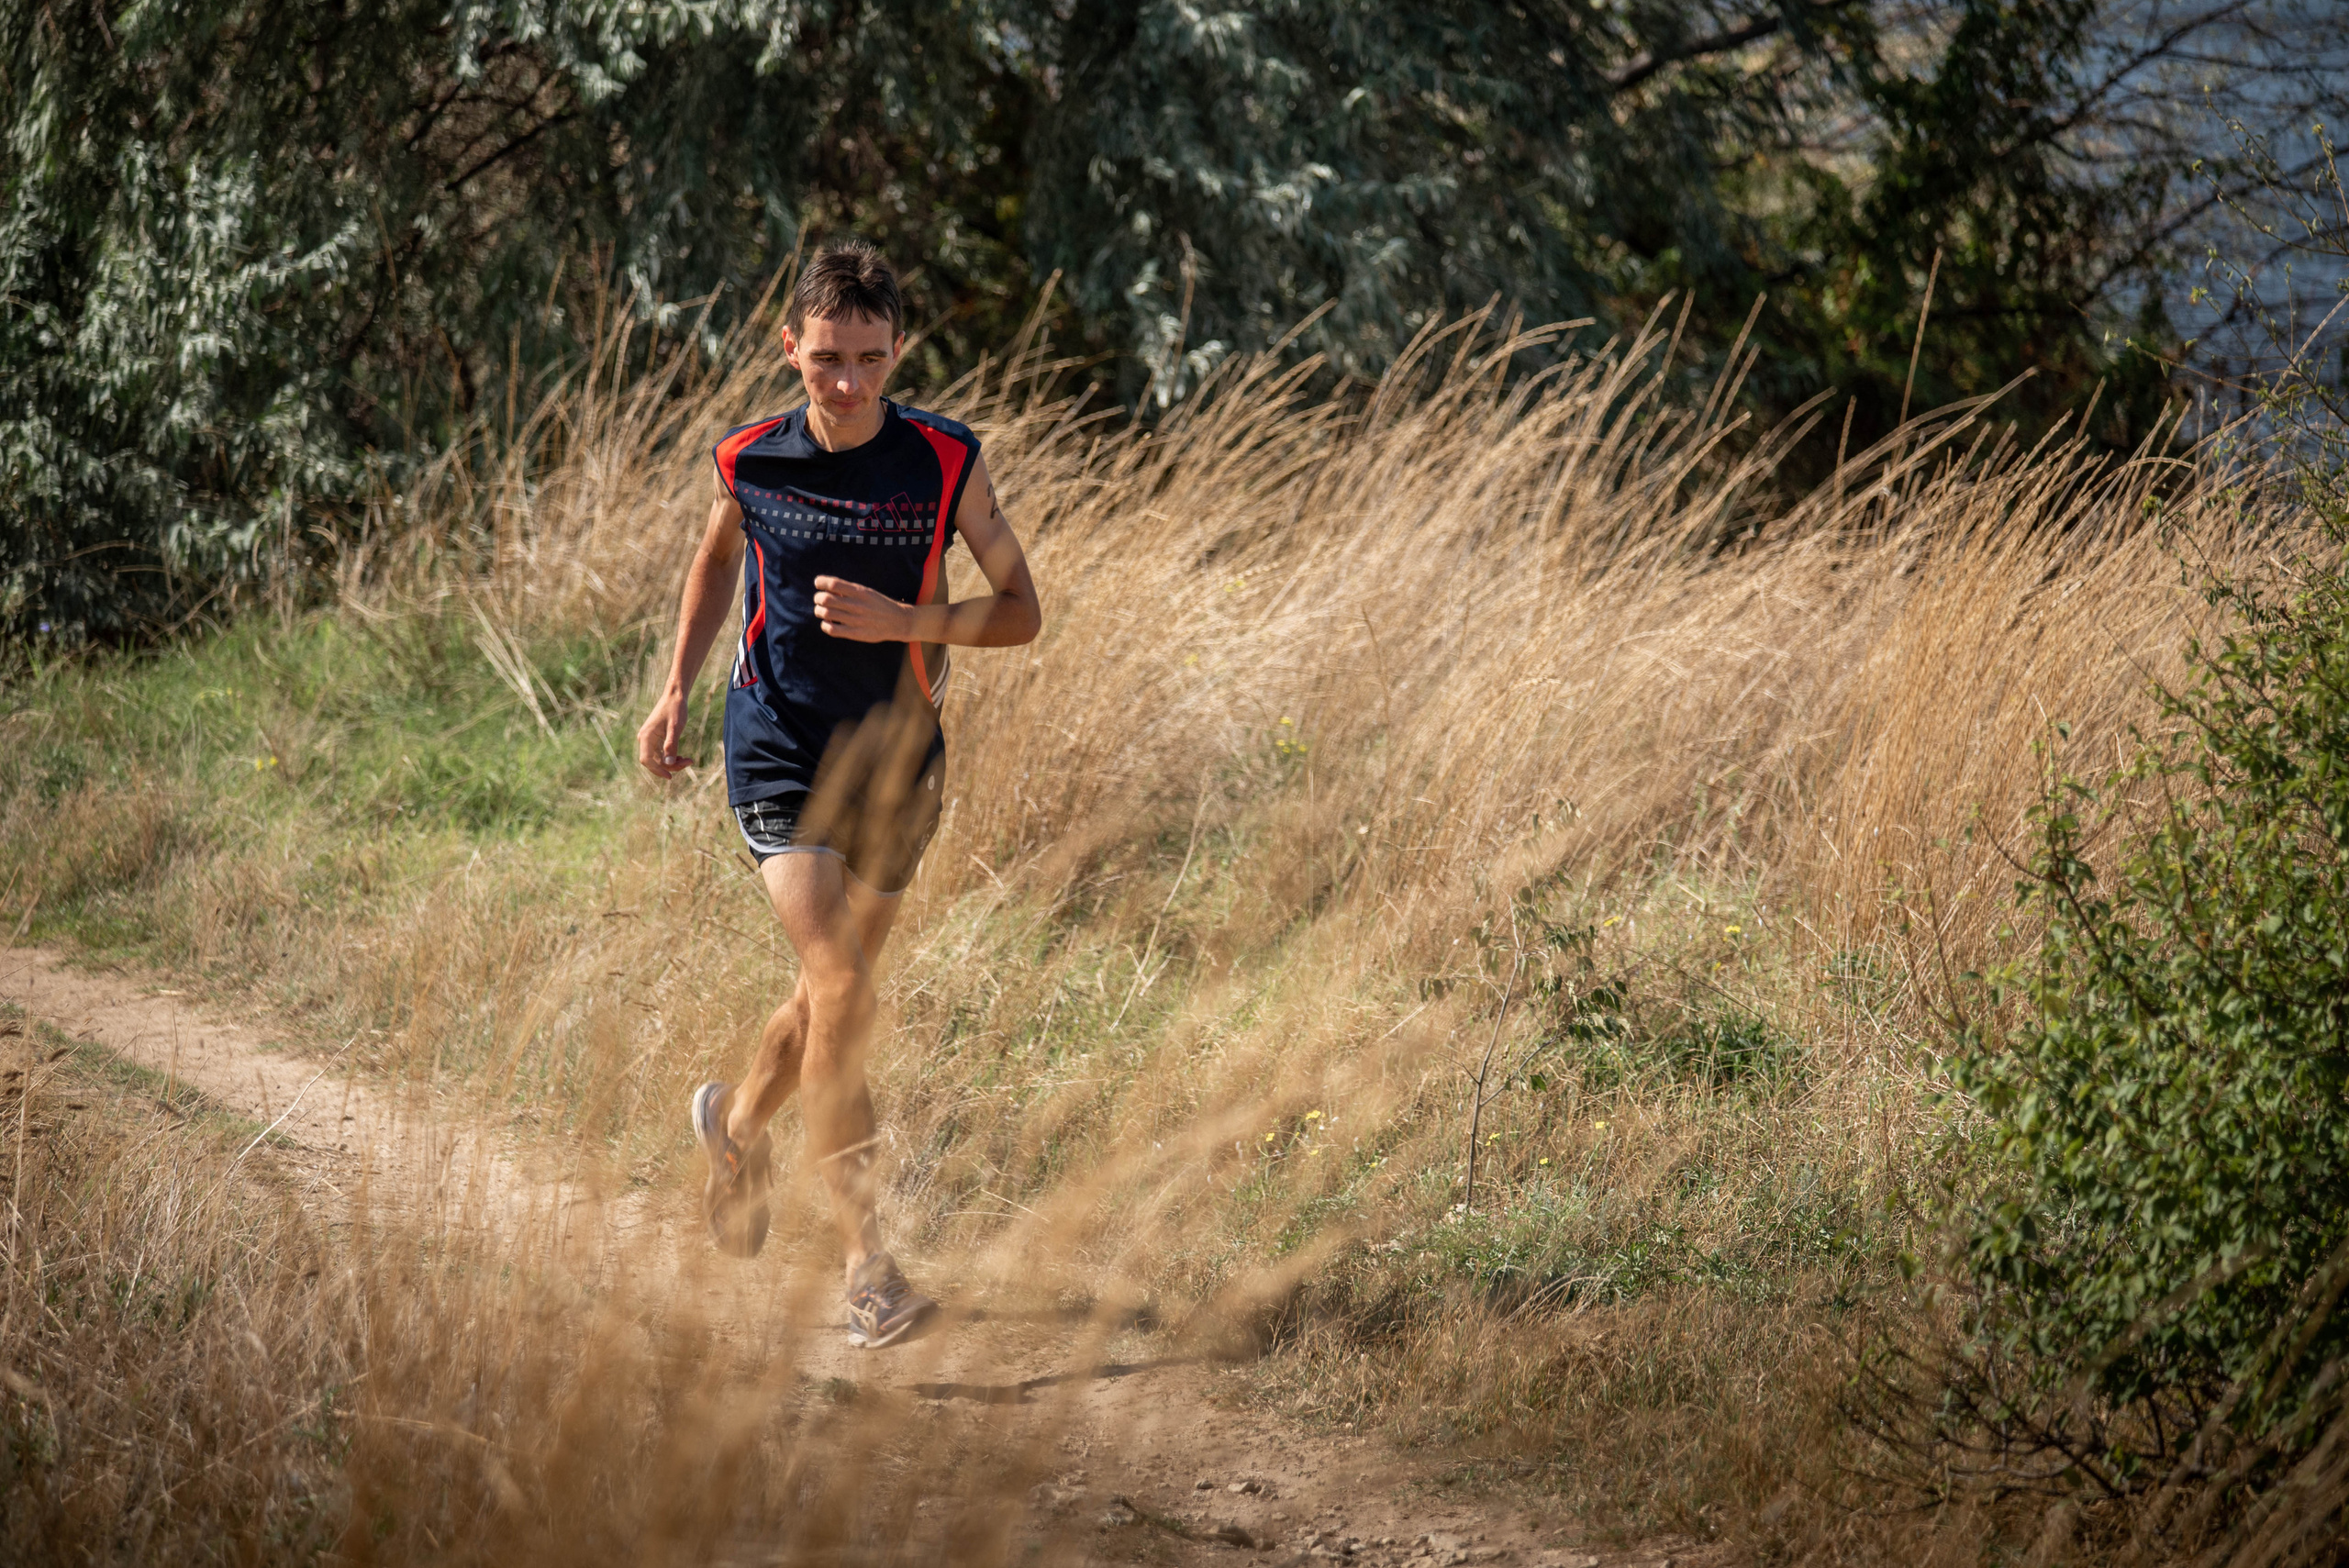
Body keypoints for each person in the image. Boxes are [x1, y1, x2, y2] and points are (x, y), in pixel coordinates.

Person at [634, 241, 1042, 1349]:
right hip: (773, 741)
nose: (848, 383)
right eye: (826, 359)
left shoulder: (945, 461)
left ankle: (733, 1120)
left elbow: (1020, 611)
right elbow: (715, 563)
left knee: (828, 998)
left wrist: (902, 619)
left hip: (900, 758)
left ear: (897, 349)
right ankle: (869, 1265)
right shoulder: (751, 460)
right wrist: (676, 686)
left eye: (869, 358)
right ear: (791, 349)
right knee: (840, 986)